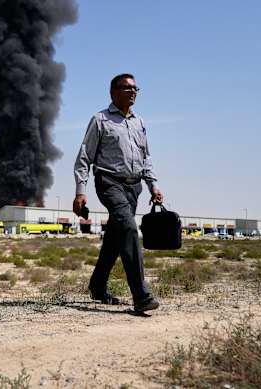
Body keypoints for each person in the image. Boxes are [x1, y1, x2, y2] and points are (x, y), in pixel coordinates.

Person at [73, 73, 164, 314]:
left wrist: (152, 185)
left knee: (115, 238)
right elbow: (84, 157)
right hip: (109, 181)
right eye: (126, 87)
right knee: (128, 227)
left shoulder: (139, 122)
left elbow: (147, 157)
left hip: (134, 186)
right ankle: (141, 294)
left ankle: (97, 285)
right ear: (113, 92)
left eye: (135, 88)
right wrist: (80, 191)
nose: (132, 91)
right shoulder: (100, 119)